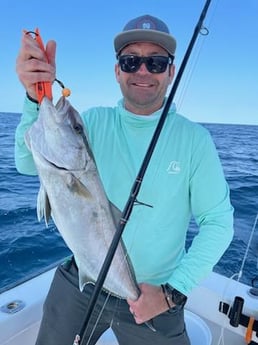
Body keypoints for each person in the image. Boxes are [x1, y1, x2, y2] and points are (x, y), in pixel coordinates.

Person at [15, 14, 234, 345]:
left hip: (156, 296)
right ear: (117, 71)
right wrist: (35, 98)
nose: (142, 71)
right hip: (81, 282)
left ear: (171, 72)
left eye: (156, 62)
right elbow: (26, 164)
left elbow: (219, 223)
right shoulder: (92, 122)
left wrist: (172, 293)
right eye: (131, 61)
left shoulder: (195, 141)